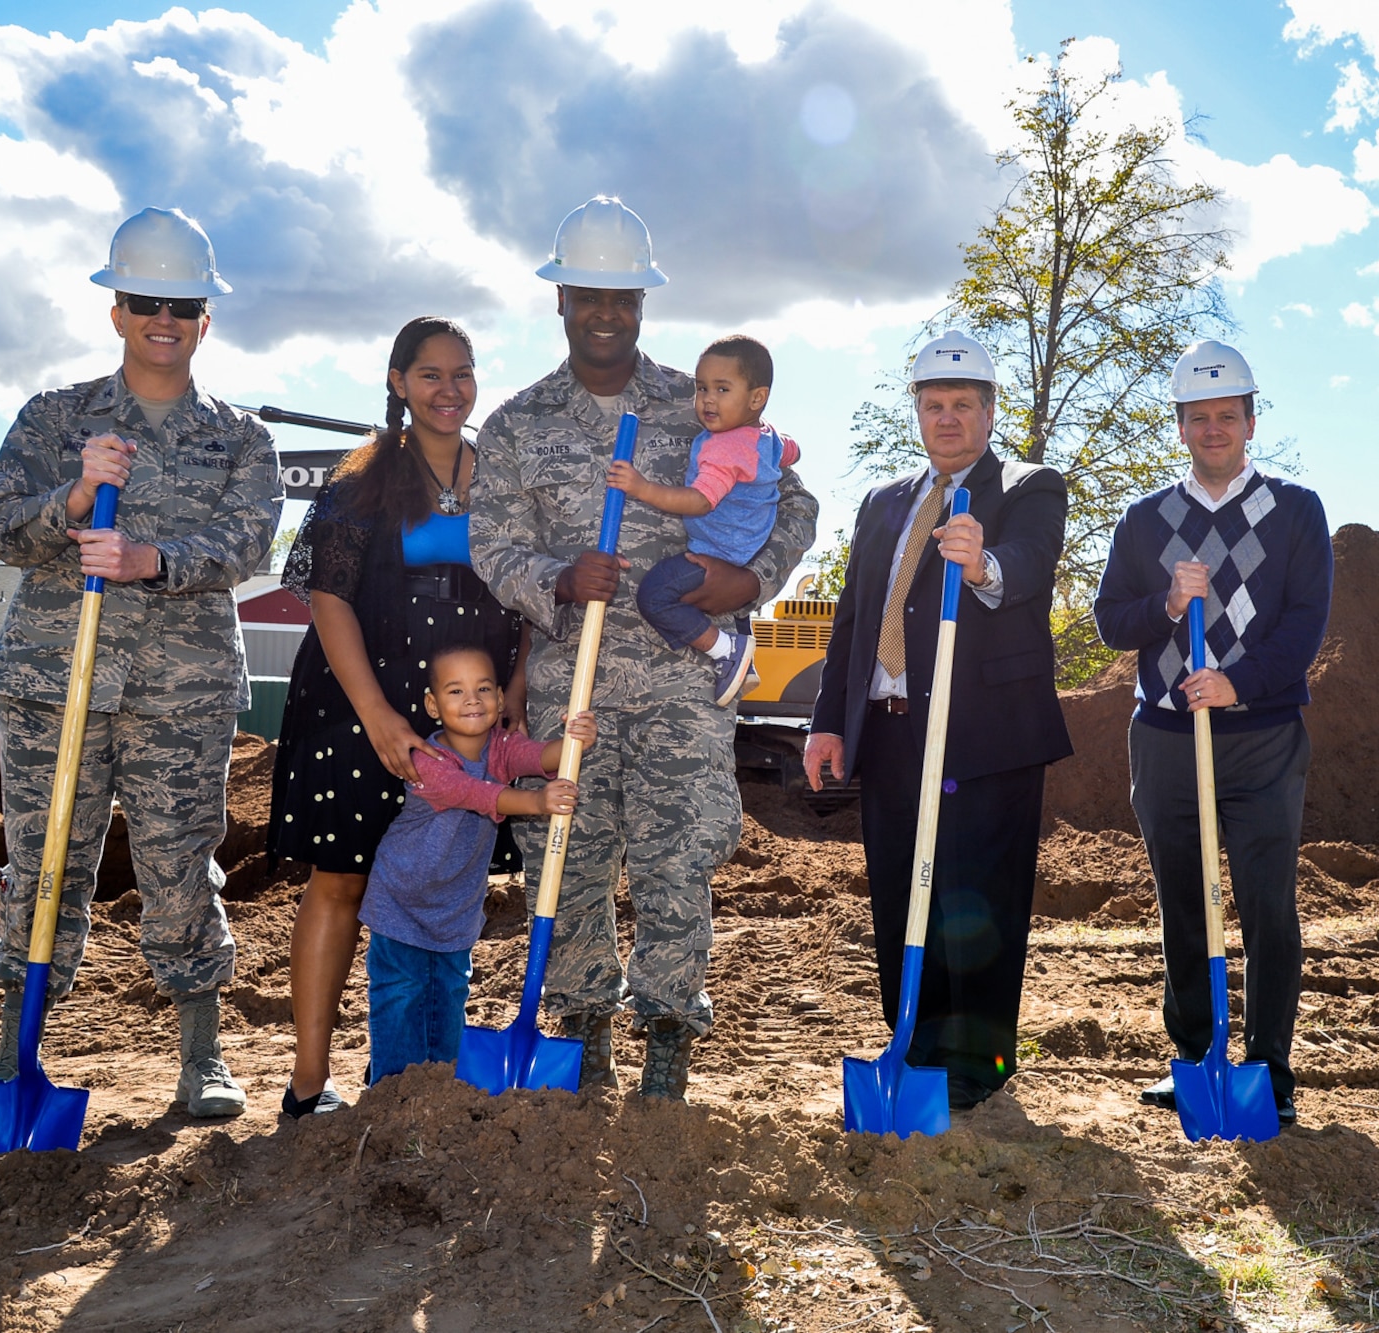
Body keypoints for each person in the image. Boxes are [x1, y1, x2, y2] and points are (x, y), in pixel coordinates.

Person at [470, 195, 817, 1101]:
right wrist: (553, 576)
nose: (606, 310)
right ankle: (584, 1033)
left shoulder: (703, 402)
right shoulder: (516, 425)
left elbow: (798, 506)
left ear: (642, 303)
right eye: (590, 292)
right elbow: (492, 544)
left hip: (678, 681)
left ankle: (668, 1035)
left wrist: (748, 583)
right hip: (570, 684)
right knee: (571, 860)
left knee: (675, 860)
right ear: (560, 298)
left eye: (623, 295)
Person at [0, 206, 282, 1118]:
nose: (164, 318)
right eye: (145, 300)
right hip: (51, 680)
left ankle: (201, 1057)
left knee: (181, 864)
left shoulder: (240, 438)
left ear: (205, 319)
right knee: (40, 865)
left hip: (179, 695)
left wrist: (156, 559)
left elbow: (250, 542)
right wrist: (72, 494)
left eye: (183, 305)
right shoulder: (55, 417)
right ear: (116, 310)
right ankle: (13, 1056)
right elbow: (1, 528)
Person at [803, 331, 1072, 1112]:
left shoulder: (1027, 486)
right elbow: (853, 619)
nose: (947, 418)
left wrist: (984, 562)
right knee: (899, 888)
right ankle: (912, 1042)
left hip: (984, 730)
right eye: (933, 405)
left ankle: (976, 1060)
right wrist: (828, 720)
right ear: (917, 413)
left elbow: (1031, 561)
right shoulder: (886, 501)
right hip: (889, 729)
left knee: (975, 894)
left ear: (990, 413)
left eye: (962, 405)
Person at [269, 316, 527, 1118]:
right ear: (397, 382)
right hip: (360, 711)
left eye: (463, 373)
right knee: (341, 880)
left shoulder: (503, 479)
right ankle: (309, 1088)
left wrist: (513, 689)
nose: (449, 391)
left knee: (446, 878)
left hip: (469, 717)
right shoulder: (364, 481)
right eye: (430, 375)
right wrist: (378, 714)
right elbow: (325, 594)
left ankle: (425, 1077)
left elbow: (526, 592)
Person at [1092, 339, 1331, 1126]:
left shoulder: (1297, 511)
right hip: (1164, 735)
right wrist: (1164, 605)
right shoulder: (1145, 519)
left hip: (1262, 736)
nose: (1213, 429)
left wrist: (1237, 682)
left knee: (1266, 902)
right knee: (1184, 904)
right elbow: (1106, 622)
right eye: (1198, 418)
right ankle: (1195, 1057)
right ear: (1181, 427)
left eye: (1227, 415)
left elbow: (1304, 627)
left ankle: (1268, 1065)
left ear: (1251, 421)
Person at [361, 644, 594, 1086]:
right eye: (455, 691)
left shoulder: (501, 748)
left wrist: (575, 741)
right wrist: (537, 802)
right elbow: (481, 796)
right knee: (402, 992)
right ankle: (390, 1088)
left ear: (501, 699)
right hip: (402, 899)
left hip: (455, 906)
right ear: (432, 705)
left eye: (483, 688)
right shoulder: (427, 762)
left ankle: (441, 1083)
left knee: (447, 993)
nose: (472, 699)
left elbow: (541, 757)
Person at [606, 333, 801, 707]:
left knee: (655, 595)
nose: (708, 400)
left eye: (722, 389)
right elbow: (790, 451)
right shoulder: (766, 436)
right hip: (744, 550)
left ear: (757, 398)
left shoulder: (725, 448)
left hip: (716, 555)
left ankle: (727, 649)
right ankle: (741, 659)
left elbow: (700, 500)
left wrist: (642, 487)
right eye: (701, 388)